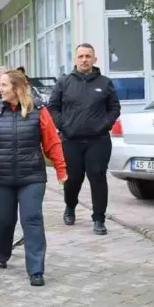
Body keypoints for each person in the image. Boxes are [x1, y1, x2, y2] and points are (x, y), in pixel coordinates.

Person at [0, 70, 67, 285]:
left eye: (4, 85)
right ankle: (1, 254)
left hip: (32, 177)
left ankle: (36, 270)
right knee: (5, 220)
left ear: (17, 88)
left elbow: (52, 142)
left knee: (32, 219)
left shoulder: (39, 111)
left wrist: (61, 169)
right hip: (1, 179)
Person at [48, 44, 121, 235]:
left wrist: (105, 124)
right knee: (72, 179)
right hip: (71, 140)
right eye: (81, 56)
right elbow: (53, 107)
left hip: (98, 140)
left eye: (88, 56)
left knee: (97, 177)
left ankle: (99, 219)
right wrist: (63, 125)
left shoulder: (105, 83)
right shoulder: (64, 82)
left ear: (94, 60)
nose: (84, 60)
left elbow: (115, 107)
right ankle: (70, 206)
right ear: (75, 59)